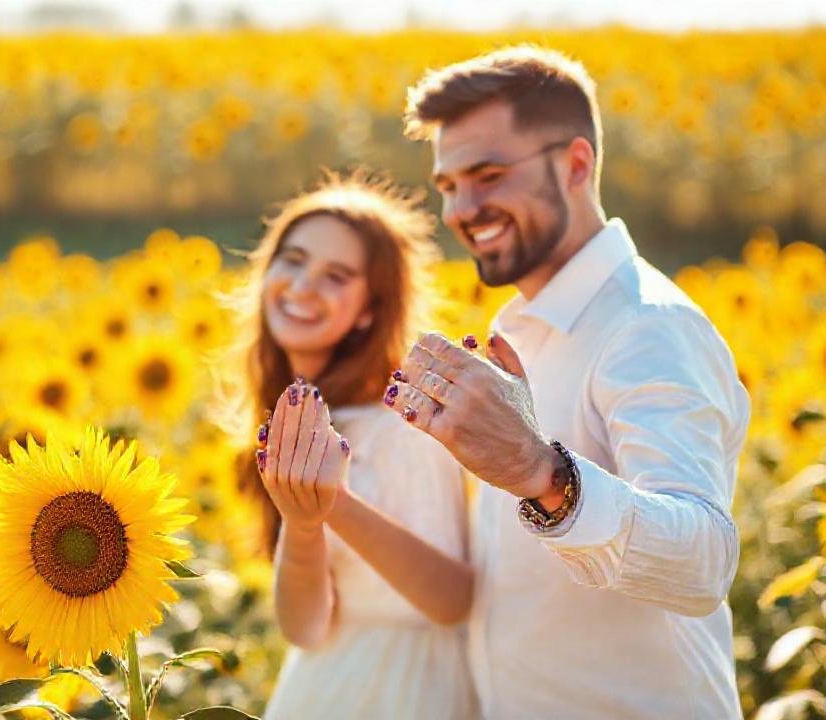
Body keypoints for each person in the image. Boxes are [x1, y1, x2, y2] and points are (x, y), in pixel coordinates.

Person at [386, 46, 751, 718]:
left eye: (489, 174)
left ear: (576, 164)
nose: (463, 210)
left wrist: (541, 472)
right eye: (448, 186)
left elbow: (704, 561)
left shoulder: (648, 324)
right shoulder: (524, 328)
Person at [219, 170, 478, 719]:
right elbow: (307, 628)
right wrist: (304, 520)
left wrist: (331, 500)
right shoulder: (287, 421)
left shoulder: (403, 429)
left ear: (369, 310)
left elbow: (453, 600)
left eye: (336, 275)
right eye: (292, 259)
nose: (304, 285)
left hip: (409, 691)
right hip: (323, 682)